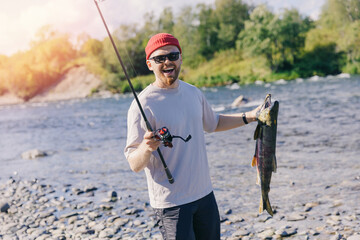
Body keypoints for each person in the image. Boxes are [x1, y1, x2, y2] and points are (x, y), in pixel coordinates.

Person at [124, 33, 261, 240]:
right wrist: (146, 148)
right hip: (171, 204)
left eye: (172, 55)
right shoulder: (142, 105)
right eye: (160, 58)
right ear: (149, 64)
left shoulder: (193, 93)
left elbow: (213, 123)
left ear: (180, 58)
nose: (168, 62)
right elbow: (134, 164)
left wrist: (251, 116)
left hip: (205, 195)